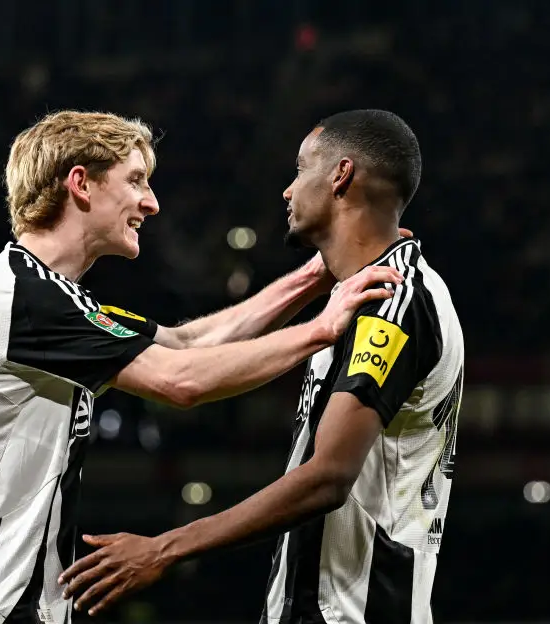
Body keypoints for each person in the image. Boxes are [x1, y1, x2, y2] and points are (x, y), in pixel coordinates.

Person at [0, 110, 406, 624]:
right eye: (136, 180)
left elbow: (186, 344)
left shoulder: (46, 297)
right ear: (81, 184)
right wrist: (322, 329)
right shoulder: (25, 300)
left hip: (7, 603)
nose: (151, 202)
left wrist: (314, 277)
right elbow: (180, 381)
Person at [60, 109, 465, 624]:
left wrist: (166, 548)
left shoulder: (393, 300)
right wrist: (314, 281)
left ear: (340, 176)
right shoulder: (362, 294)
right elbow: (183, 348)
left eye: (300, 169)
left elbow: (330, 475)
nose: (287, 191)